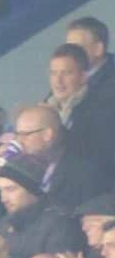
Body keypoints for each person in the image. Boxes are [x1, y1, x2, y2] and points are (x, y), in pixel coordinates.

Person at [0, 154, 84, 258]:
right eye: (0, 191)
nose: (3, 198)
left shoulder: (59, 226)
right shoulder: (0, 226)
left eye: (10, 190)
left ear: (32, 190)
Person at [12, 105, 107, 210]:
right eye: (17, 135)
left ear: (48, 135)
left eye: (25, 135)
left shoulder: (81, 174)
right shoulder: (20, 168)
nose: (19, 141)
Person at [44, 43, 115, 179]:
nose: (58, 80)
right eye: (54, 73)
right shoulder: (44, 111)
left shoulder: (101, 111)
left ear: (83, 77)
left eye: (66, 73)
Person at [66, 16, 115, 98]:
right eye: (67, 48)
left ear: (98, 49)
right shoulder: (65, 74)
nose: (69, 54)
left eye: (76, 48)